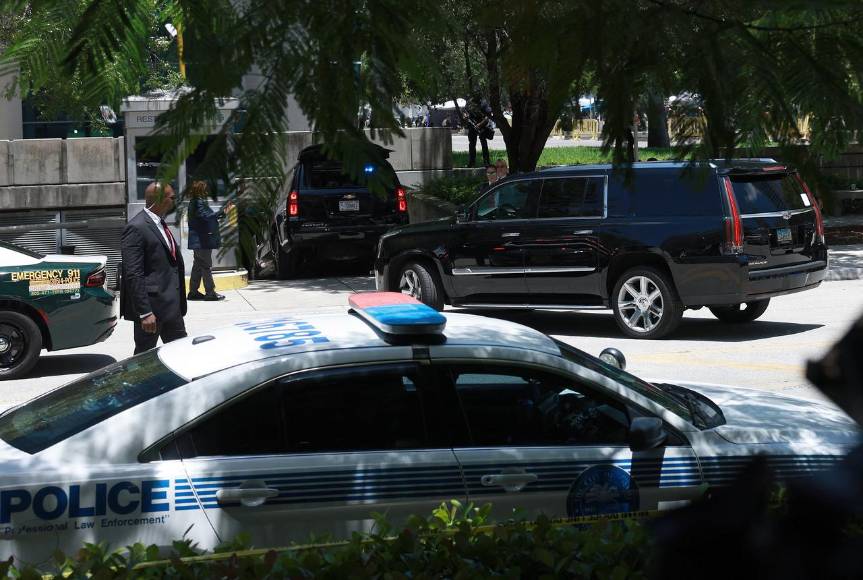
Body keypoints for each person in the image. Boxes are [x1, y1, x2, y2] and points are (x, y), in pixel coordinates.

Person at [120, 181, 187, 354]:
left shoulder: (160, 224)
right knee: (143, 359)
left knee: (181, 354)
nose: (174, 201)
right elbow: (133, 273)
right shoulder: (136, 227)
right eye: (172, 197)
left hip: (171, 307)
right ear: (159, 199)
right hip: (152, 311)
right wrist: (145, 313)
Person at [186, 180, 233, 301]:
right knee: (206, 266)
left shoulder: (195, 202)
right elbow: (206, 217)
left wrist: (222, 212)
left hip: (199, 241)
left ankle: (193, 292)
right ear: (201, 190)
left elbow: (207, 216)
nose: (207, 191)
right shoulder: (198, 203)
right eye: (205, 189)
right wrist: (221, 212)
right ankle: (210, 293)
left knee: (198, 265)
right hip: (202, 240)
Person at [463, 94, 493, 167]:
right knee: (472, 144)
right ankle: (471, 162)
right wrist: (465, 116)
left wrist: (480, 124)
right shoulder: (469, 102)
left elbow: (488, 116)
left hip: (482, 126)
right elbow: (465, 112)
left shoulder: (483, 103)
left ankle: (486, 162)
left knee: (484, 144)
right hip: (472, 126)